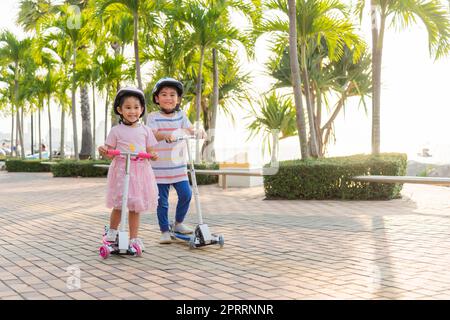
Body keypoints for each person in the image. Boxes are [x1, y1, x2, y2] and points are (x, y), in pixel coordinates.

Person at [98, 87, 159, 251]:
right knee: (119, 204)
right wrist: (104, 150)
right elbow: (109, 151)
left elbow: (151, 149)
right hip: (121, 171)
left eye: (136, 107)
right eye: (128, 107)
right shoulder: (116, 131)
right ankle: (112, 232)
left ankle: (134, 238)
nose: (133, 111)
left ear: (142, 109)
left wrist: (152, 155)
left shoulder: (146, 130)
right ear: (120, 110)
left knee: (134, 206)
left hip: (139, 172)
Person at [146, 77, 206, 244]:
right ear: (157, 98)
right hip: (159, 167)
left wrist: (198, 131)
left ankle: (178, 223)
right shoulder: (153, 117)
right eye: (164, 94)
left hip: (179, 167)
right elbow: (153, 134)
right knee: (162, 202)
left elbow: (189, 129)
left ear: (178, 99)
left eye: (173, 94)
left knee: (186, 195)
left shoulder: (181, 115)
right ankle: (164, 230)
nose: (168, 98)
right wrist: (167, 135)